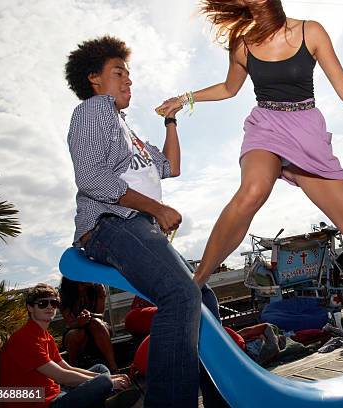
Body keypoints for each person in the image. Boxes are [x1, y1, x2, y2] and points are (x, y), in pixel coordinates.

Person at [155, 0, 343, 332]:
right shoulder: (242, 43)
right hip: (266, 127)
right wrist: (185, 99)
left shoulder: (311, 31)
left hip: (307, 132)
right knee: (252, 191)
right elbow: (229, 88)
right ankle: (193, 285)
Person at [65, 36, 227, 407]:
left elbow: (172, 166)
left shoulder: (128, 132)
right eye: (118, 73)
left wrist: (171, 121)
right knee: (181, 294)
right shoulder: (94, 111)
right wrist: (155, 208)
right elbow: (91, 178)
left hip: (138, 225)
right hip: (111, 223)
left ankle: (218, 397)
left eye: (129, 75)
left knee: (203, 296)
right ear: (94, 79)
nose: (129, 81)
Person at [0, 284, 139, 408]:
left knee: (101, 369)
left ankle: (101, 399)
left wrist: (110, 379)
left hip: (56, 393)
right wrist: (110, 382)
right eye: (42, 304)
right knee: (103, 381)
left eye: (53, 303)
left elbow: (67, 367)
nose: (49, 307)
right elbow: (61, 376)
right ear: (30, 307)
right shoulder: (24, 338)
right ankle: (104, 401)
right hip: (44, 404)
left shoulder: (45, 336)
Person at [59, 277, 117, 372]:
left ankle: (113, 367)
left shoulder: (98, 288)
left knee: (95, 323)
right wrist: (79, 322)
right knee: (77, 334)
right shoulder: (65, 294)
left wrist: (90, 316)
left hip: (97, 327)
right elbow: (70, 323)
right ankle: (73, 369)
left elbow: (100, 315)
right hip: (75, 329)